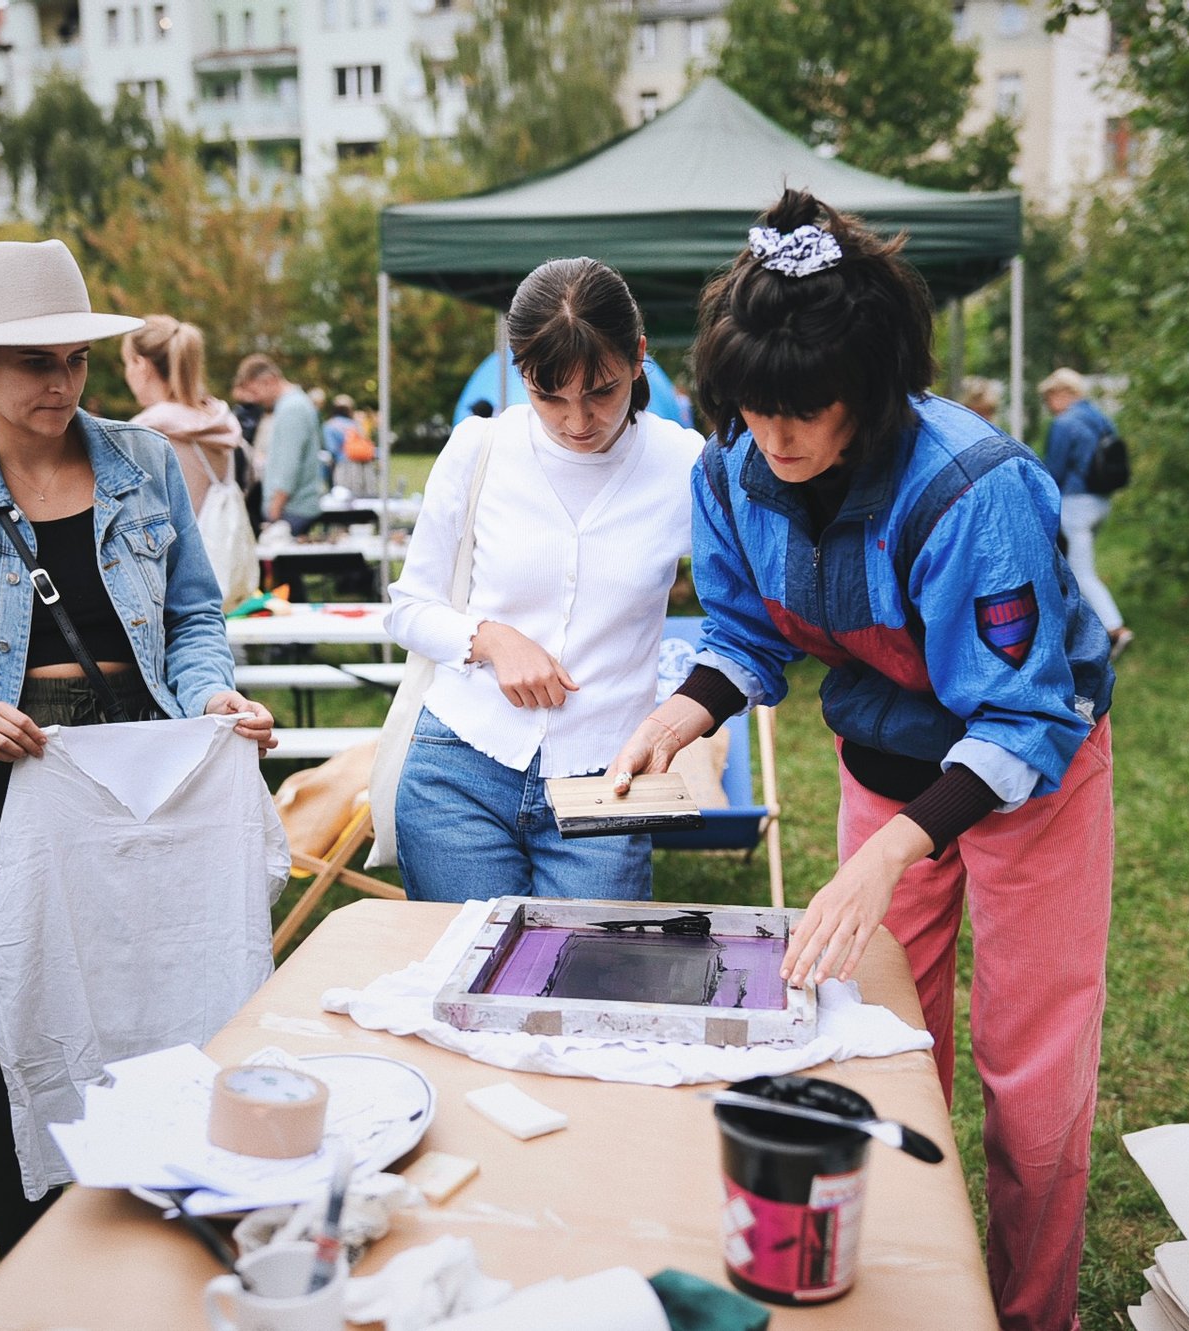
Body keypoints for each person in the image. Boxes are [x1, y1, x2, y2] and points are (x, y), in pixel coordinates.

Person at [611, 190, 1117, 1331]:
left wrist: (890, 854)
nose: (775, 435)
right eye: (754, 406)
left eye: (805, 408)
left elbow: (1022, 716)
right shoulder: (729, 469)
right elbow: (745, 631)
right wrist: (685, 710)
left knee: (1029, 1071)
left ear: (872, 386)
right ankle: (905, 1296)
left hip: (1029, 783)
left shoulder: (973, 489)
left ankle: (1031, 1312)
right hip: (881, 767)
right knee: (876, 1044)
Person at [0, 238, 276, 1252]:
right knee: (10, 1012)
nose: (62, 381)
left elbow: (193, 616)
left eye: (76, 358)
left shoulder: (143, 461)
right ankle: (38, 1247)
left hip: (143, 766)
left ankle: (168, 1207)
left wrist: (209, 690)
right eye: (35, 361)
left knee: (158, 984)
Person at [385, 257, 705, 902]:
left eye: (601, 391)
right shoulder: (478, 448)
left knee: (590, 966)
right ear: (519, 371)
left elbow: (746, 619)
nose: (577, 421)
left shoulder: (687, 465)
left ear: (639, 357)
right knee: (467, 966)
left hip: (607, 778)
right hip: (458, 770)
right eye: (548, 396)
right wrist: (492, 639)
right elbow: (407, 608)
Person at [1039, 367, 1132, 661]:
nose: (1048, 405)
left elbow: (1053, 471)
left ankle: (1115, 629)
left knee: (1080, 572)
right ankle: (1078, 633)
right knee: (1071, 568)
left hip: (1075, 505)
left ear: (1063, 393)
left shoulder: (1064, 423)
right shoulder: (1101, 419)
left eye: (1049, 397)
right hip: (1101, 502)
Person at [120, 315, 245, 515]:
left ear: (140, 364)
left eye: (126, 363)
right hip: (219, 535)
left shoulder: (144, 433)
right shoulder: (219, 420)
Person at [232, 353, 324, 532]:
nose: (255, 400)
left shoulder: (291, 409)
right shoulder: (294, 404)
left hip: (290, 511)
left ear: (269, 381)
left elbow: (288, 464)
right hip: (292, 509)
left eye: (255, 392)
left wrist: (274, 513)